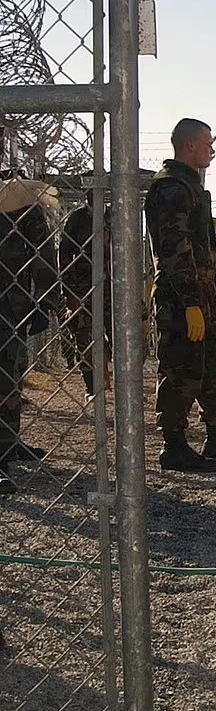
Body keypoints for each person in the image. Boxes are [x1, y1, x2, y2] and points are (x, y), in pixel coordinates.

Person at [144, 120, 216, 472]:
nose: (212, 149)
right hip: (181, 293)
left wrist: (210, 297)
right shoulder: (171, 187)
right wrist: (191, 301)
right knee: (181, 365)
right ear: (190, 144)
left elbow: (198, 246)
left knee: (214, 363)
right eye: (207, 143)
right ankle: (174, 445)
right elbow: (174, 249)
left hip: (202, 289)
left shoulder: (191, 186)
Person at [0, 175, 60, 491]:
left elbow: (42, 248)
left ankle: (7, 442)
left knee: (11, 372)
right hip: (12, 300)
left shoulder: (15, 194)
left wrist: (46, 299)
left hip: (11, 302)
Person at [59, 186, 112, 401]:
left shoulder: (116, 217)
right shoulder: (77, 219)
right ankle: (92, 386)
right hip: (83, 286)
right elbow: (64, 254)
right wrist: (69, 291)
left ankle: (122, 379)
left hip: (114, 286)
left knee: (126, 333)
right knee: (84, 335)